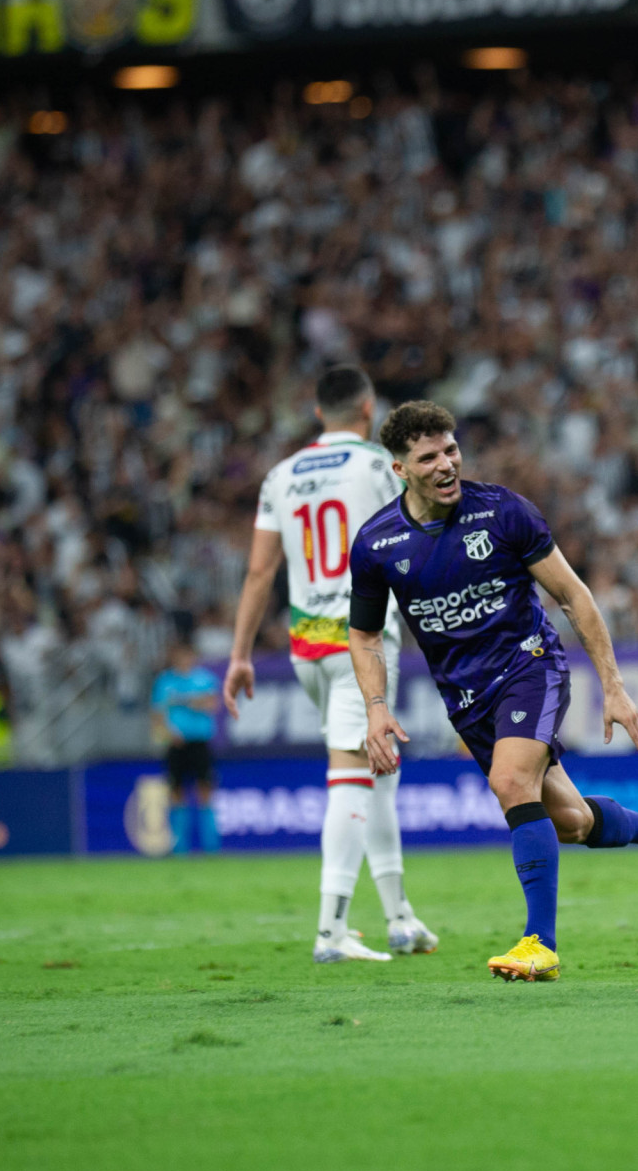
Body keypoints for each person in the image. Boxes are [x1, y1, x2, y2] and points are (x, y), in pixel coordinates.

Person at [345, 400, 638, 983]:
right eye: (428, 456)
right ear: (400, 470)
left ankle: (540, 943)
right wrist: (376, 709)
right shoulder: (376, 543)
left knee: (510, 782)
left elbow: (573, 595)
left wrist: (614, 688)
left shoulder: (503, 512)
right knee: (571, 823)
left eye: (451, 450)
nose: (446, 464)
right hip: (466, 699)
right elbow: (363, 633)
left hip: (529, 667)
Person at [224, 364, 437, 964]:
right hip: (362, 642)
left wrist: (240, 654)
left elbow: (261, 571)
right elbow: (419, 539)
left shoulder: (280, 476)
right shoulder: (379, 465)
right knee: (352, 776)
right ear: (368, 409)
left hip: (304, 646)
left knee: (379, 777)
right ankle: (330, 931)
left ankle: (399, 919)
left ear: (319, 413)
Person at [151, 639, 222, 855]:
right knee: (177, 792)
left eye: (187, 655)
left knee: (205, 790)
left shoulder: (205, 679)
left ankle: (211, 847)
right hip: (176, 744)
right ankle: (179, 847)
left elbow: (212, 704)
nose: (183, 660)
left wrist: (186, 701)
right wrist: (168, 734)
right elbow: (157, 715)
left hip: (199, 742)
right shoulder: (164, 681)